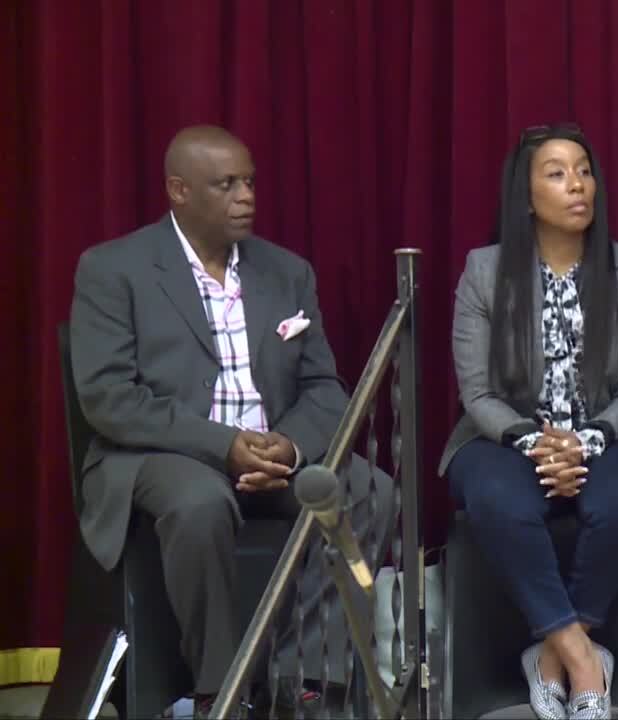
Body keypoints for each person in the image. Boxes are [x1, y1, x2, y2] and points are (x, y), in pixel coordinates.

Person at [69, 125, 392, 718]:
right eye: (226, 185)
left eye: (249, 182)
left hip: (272, 453)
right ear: (179, 191)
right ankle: (221, 690)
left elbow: (324, 387)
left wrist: (289, 448)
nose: (246, 197)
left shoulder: (287, 272)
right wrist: (225, 446)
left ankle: (304, 683)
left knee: (370, 491)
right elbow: (110, 398)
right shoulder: (114, 269)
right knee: (199, 502)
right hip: (164, 455)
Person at [439, 123, 618, 720]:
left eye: (584, 171)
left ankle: (548, 659)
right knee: (499, 500)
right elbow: (478, 392)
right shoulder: (484, 272)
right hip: (504, 435)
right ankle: (582, 660)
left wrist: (584, 442)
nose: (577, 185)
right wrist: (536, 442)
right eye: (556, 174)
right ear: (526, 197)